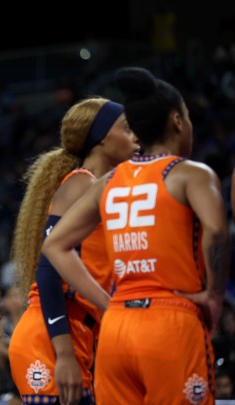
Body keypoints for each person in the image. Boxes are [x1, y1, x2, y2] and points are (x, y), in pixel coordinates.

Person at [42, 66, 230, 404]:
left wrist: (106, 304)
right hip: (171, 321)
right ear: (177, 120)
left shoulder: (110, 181)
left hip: (117, 329)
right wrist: (215, 296)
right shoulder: (191, 174)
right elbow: (216, 232)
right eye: (187, 116)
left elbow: (54, 246)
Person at [8, 96, 139, 405]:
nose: (136, 137)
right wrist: (64, 353)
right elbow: (48, 270)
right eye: (127, 128)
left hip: (77, 333)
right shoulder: (82, 184)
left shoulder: (105, 189)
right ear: (102, 137)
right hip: (52, 337)